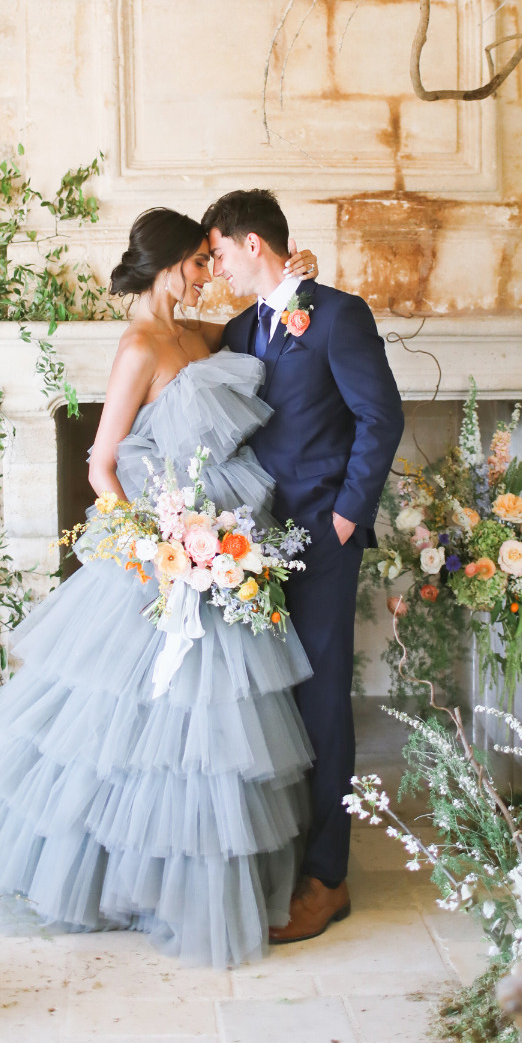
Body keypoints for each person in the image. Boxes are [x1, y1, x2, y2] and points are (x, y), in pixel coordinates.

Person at [0, 208, 321, 968]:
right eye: (200, 263)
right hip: (162, 550)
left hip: (220, 540)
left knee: (211, 728)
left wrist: (289, 276)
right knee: (128, 730)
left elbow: (253, 316)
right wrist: (152, 544)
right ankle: (110, 879)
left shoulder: (195, 333)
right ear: (172, 263)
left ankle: (191, 877)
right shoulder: (140, 343)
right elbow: (101, 465)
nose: (209, 274)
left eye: (214, 263)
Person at [204, 188, 404, 943]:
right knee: (268, 702)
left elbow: (380, 418)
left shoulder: (339, 316)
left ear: (253, 244)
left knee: (321, 701)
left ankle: (329, 878)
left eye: (219, 252)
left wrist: (347, 517)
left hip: (321, 539)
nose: (216, 267)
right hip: (248, 549)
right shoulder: (243, 326)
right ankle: (280, 858)